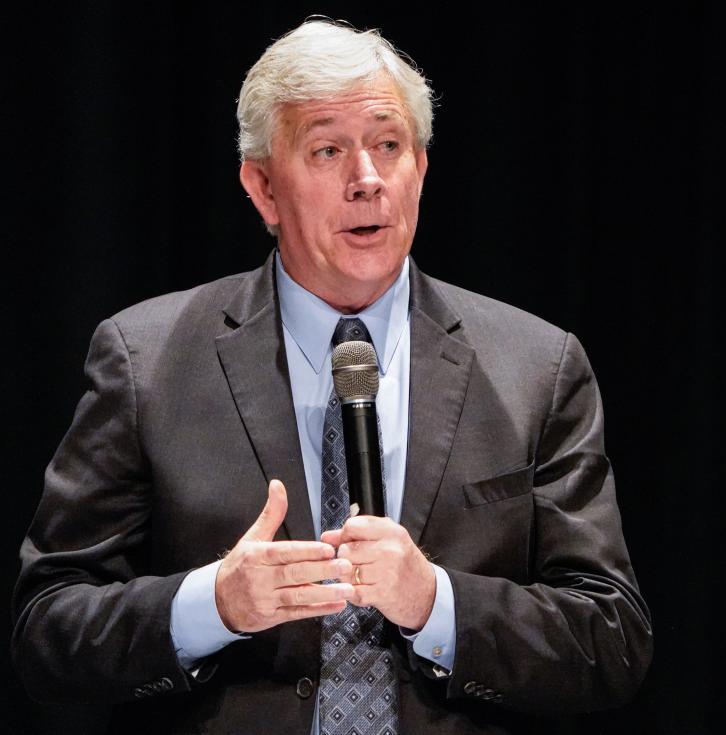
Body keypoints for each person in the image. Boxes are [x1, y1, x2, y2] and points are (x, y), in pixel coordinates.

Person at [12, 18, 652, 734]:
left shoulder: (536, 367)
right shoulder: (147, 359)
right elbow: (47, 631)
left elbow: (611, 639)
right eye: (327, 150)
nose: (367, 180)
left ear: (422, 168)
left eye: (388, 145)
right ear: (262, 188)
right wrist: (214, 603)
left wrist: (436, 601)